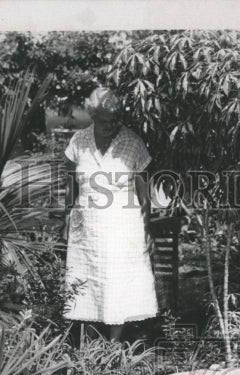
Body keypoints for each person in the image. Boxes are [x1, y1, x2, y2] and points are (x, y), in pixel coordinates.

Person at [62, 87, 158, 342]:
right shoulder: (78, 142)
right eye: (105, 120)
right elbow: (70, 184)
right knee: (87, 277)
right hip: (87, 224)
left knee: (117, 280)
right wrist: (66, 216)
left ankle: (114, 343)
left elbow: (144, 193)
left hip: (123, 226)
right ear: (93, 116)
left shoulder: (132, 142)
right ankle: (90, 342)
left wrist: (147, 229)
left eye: (115, 120)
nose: (111, 125)